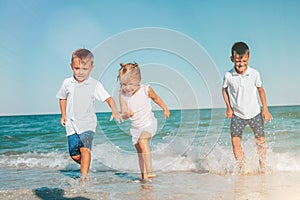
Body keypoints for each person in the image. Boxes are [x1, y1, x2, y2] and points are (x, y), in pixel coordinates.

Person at [56, 48, 121, 183]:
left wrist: (115, 110)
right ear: (71, 66)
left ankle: (84, 178)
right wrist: (63, 115)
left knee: (85, 149)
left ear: (91, 68)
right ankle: (86, 165)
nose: (80, 72)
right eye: (77, 68)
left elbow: (108, 98)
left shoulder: (94, 85)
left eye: (84, 69)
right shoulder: (67, 83)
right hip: (71, 125)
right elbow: (62, 97)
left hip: (88, 123)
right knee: (74, 155)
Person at [222, 42, 272, 173]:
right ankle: (242, 169)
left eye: (244, 60)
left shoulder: (254, 73)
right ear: (232, 59)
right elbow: (224, 90)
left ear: (248, 58)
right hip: (237, 115)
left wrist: (265, 108)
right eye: (238, 61)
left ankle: (263, 168)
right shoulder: (228, 75)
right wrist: (228, 108)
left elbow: (261, 90)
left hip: (255, 113)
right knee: (235, 142)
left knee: (260, 141)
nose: (241, 64)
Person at [117, 62, 170, 180]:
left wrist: (165, 108)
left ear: (138, 80)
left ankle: (150, 171)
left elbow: (156, 98)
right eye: (124, 84)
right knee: (140, 153)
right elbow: (124, 114)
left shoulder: (146, 89)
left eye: (130, 84)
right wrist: (125, 114)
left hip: (149, 124)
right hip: (135, 128)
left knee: (143, 140)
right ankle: (144, 177)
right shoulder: (122, 95)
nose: (127, 87)